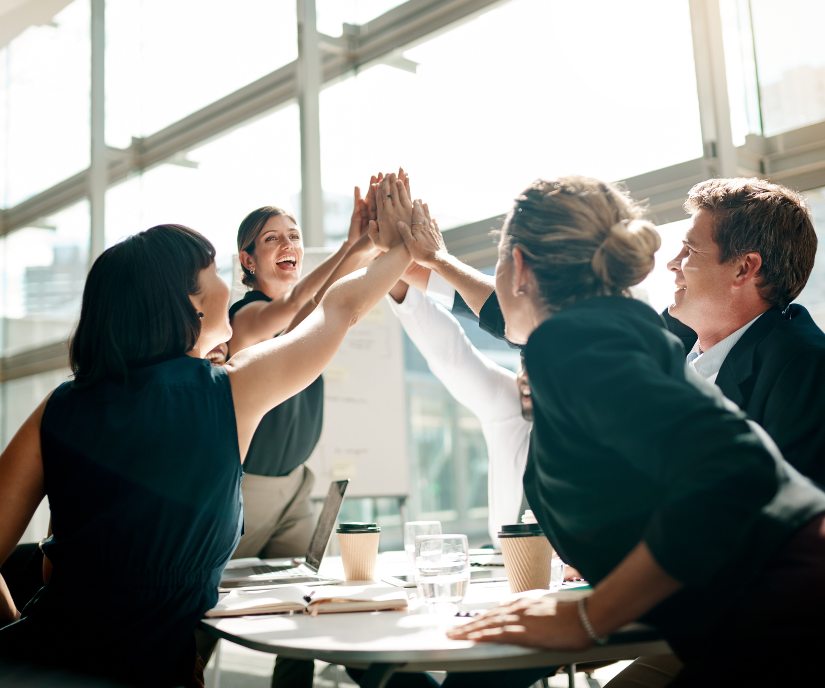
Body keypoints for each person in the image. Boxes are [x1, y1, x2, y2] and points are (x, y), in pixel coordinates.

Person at [395, 175, 825, 687]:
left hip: (775, 627)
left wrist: (588, 618)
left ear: (521, 267)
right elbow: (513, 318)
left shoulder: (578, 342)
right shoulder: (624, 332)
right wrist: (430, 262)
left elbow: (736, 475)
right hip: (751, 615)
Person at [0, 197, 413, 686]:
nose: (225, 285)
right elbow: (341, 309)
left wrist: (13, 632)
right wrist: (407, 242)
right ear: (191, 301)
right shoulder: (229, 392)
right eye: (215, 271)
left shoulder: (59, 406)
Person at [662, 178, 825, 485]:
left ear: (744, 269)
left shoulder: (806, 370)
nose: (673, 263)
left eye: (691, 250)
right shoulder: (664, 345)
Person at [386, 273, 531, 547]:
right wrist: (398, 279)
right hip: (508, 565)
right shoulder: (512, 404)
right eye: (524, 365)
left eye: (537, 370)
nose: (524, 378)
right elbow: (450, 355)